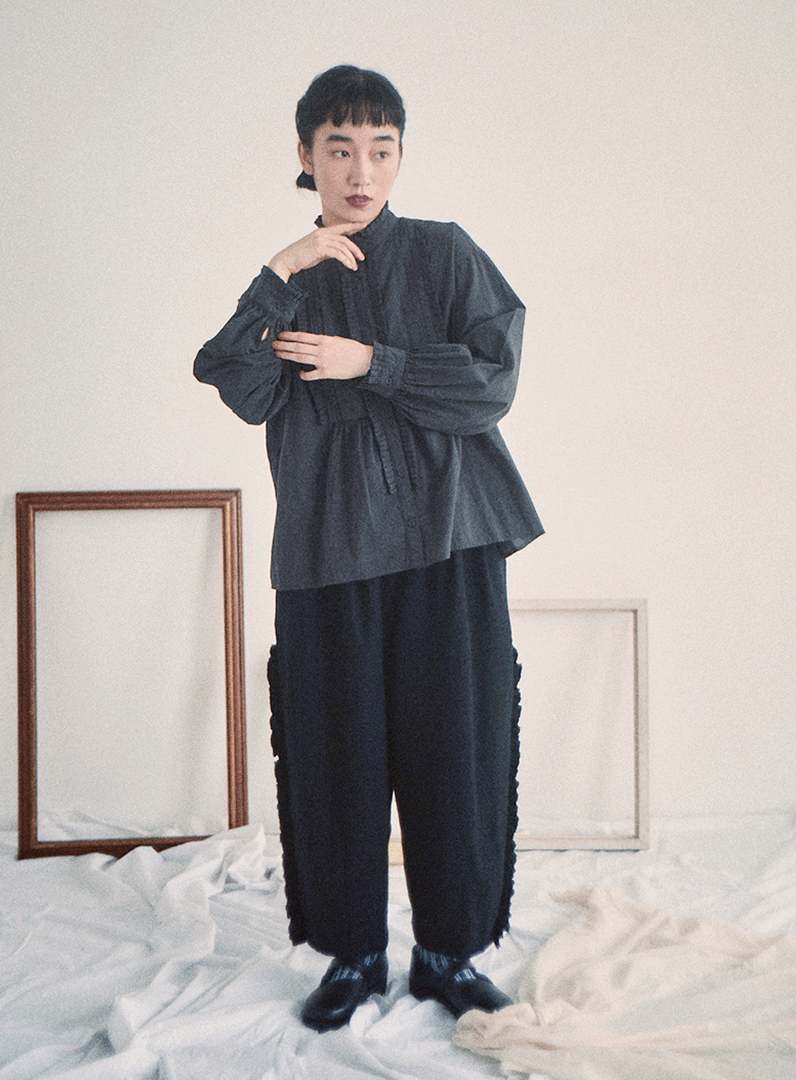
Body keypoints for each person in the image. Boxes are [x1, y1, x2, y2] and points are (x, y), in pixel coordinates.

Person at [194, 65, 543, 1032]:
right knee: (333, 753)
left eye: (380, 150)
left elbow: (491, 382)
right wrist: (280, 270)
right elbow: (232, 377)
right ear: (305, 157)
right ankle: (352, 954)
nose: (361, 171)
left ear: (399, 157)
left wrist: (372, 363)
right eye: (340, 149)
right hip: (327, 547)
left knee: (457, 747)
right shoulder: (291, 285)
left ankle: (446, 955)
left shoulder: (444, 253)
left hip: (449, 541)